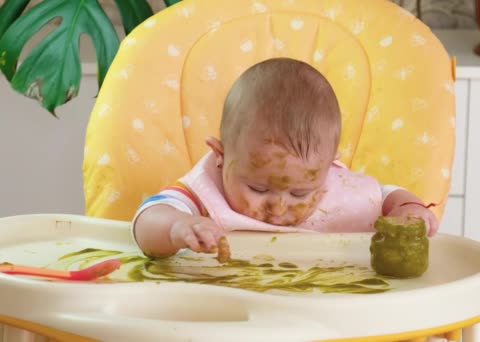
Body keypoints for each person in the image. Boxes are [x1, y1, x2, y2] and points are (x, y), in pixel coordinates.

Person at [131, 57, 438, 261]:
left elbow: (383, 196)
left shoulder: (340, 188)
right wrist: (177, 228)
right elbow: (147, 220)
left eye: (299, 193)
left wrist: (408, 208)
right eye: (259, 189)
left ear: (329, 166)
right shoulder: (205, 192)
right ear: (221, 156)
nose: (278, 208)